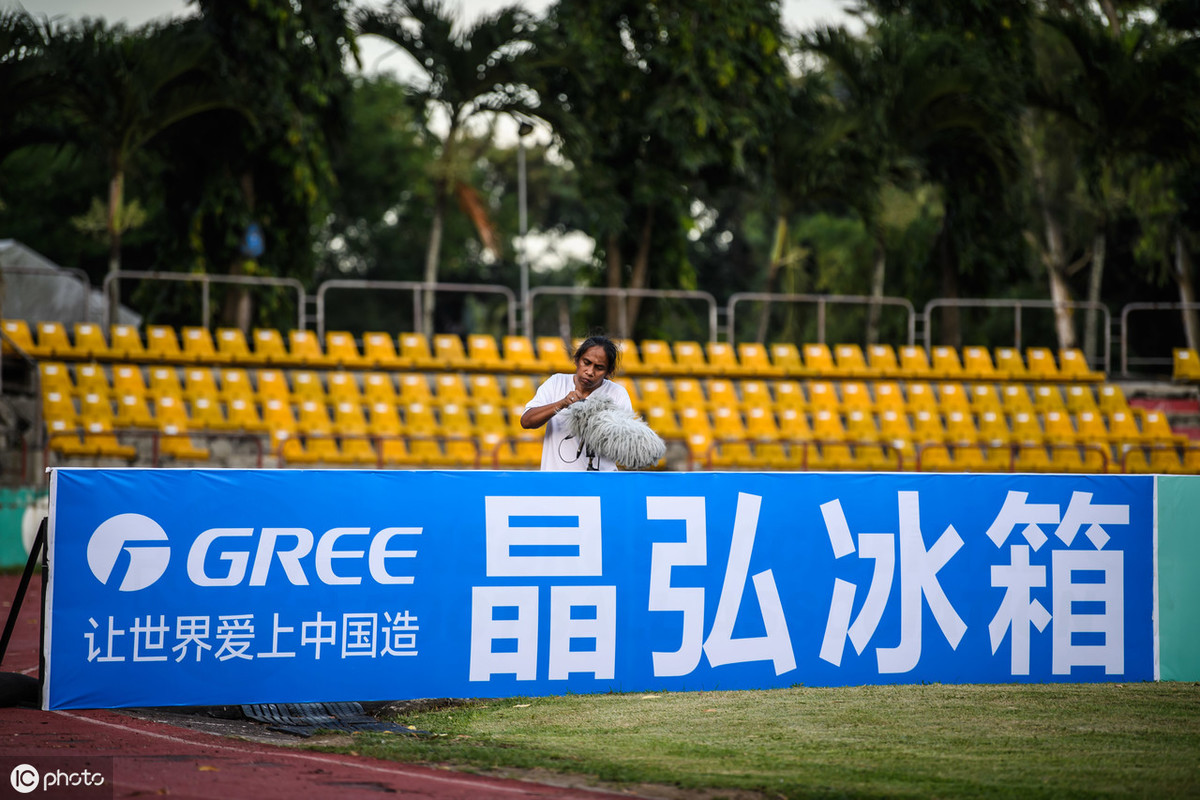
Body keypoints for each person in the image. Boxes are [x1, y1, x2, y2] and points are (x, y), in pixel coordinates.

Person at [521, 334, 634, 471]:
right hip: (557, 482)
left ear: (608, 372)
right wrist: (562, 403)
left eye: (599, 368)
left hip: (601, 483)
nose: (590, 371)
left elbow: (626, 444)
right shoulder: (556, 382)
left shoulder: (617, 393)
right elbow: (526, 421)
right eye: (586, 363)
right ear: (576, 360)